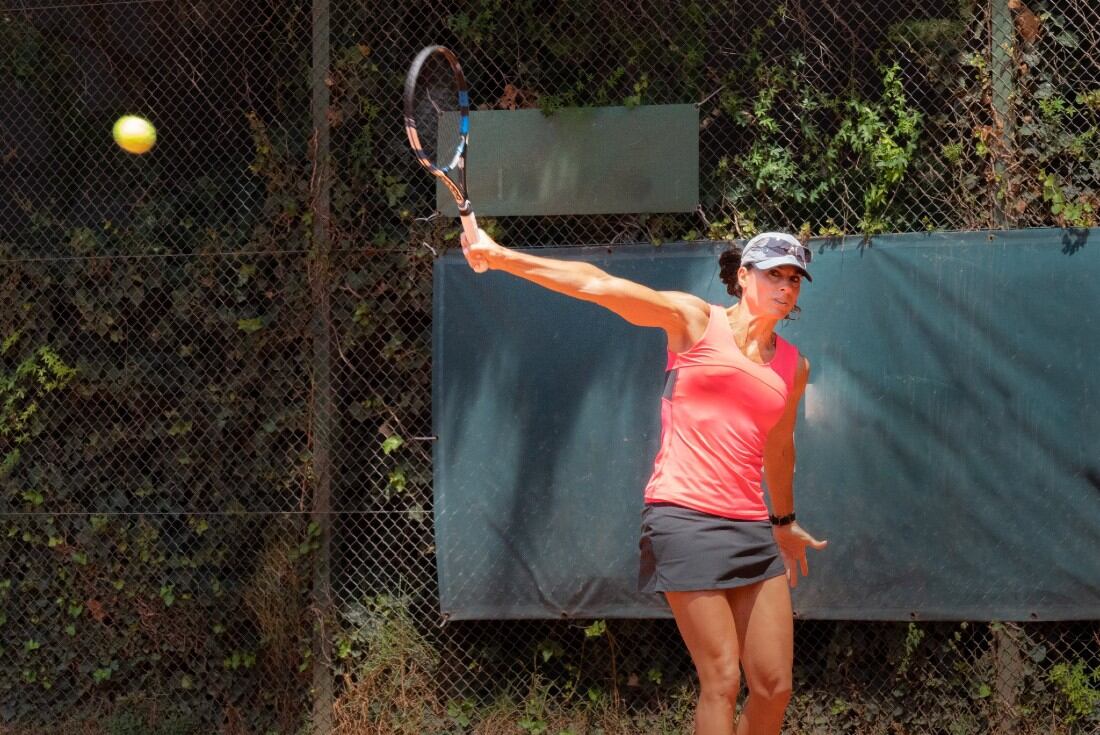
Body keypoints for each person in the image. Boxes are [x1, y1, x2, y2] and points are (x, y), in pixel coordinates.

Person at [459, 229, 828, 735]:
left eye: (794, 279)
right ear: (743, 276)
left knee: (773, 687)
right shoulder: (693, 320)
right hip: (683, 517)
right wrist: (501, 257)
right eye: (773, 275)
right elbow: (598, 284)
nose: (785, 287)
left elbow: (779, 447)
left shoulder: (793, 365)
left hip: (749, 526)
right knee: (721, 679)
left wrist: (783, 522)